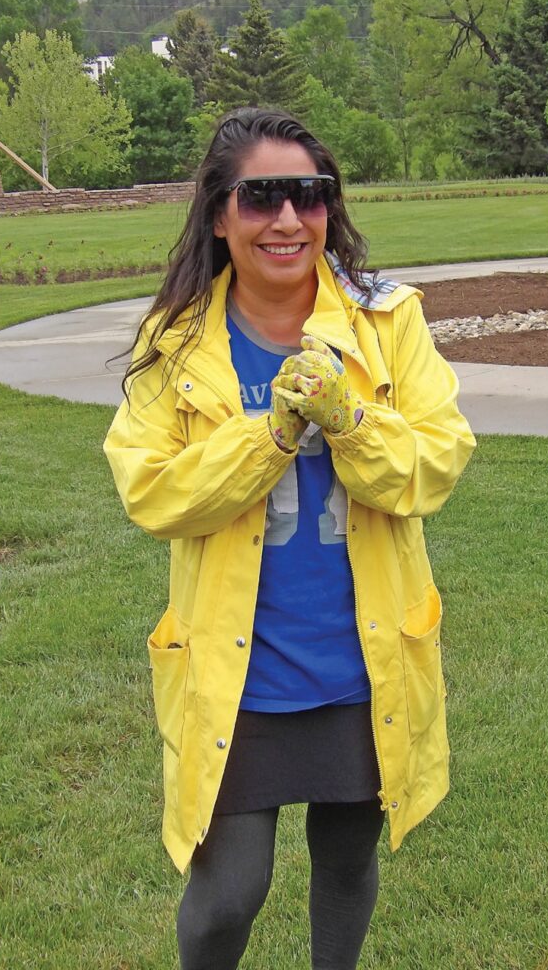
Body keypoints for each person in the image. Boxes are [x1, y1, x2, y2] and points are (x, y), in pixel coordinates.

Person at [103, 107, 476, 970]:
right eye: (261, 196)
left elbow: (436, 462)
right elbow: (152, 491)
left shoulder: (388, 321)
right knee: (229, 890)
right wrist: (267, 436)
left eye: (308, 196)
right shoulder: (177, 343)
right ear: (219, 213)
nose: (286, 220)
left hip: (360, 656)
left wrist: (349, 420)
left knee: (346, 858)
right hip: (241, 668)